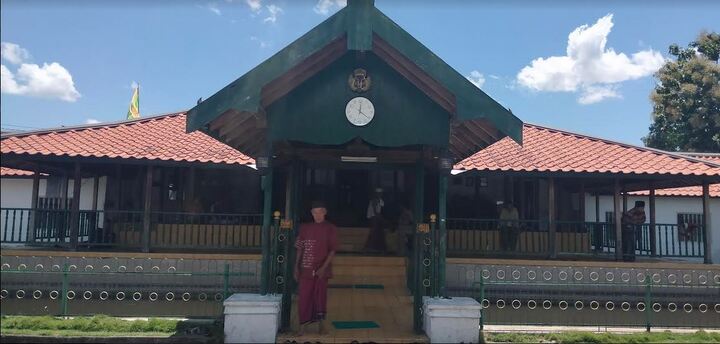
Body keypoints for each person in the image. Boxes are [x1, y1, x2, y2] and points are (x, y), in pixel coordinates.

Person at [294, 201, 338, 336]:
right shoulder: (304, 228)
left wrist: (323, 268)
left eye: (320, 212)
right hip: (305, 268)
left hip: (321, 270)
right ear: (311, 213)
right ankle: (302, 327)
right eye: (315, 212)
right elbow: (300, 249)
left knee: (320, 297)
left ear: (325, 212)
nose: (317, 215)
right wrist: (296, 266)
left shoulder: (330, 228)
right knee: (304, 297)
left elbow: (332, 251)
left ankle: (321, 326)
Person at [364, 188, 387, 252]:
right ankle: (369, 248)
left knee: (380, 232)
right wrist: (381, 218)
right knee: (374, 232)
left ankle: (378, 248)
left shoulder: (381, 200)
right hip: (373, 218)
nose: (380, 194)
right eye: (379, 193)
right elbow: (375, 212)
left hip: (377, 218)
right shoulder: (374, 200)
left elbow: (380, 210)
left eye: (381, 193)